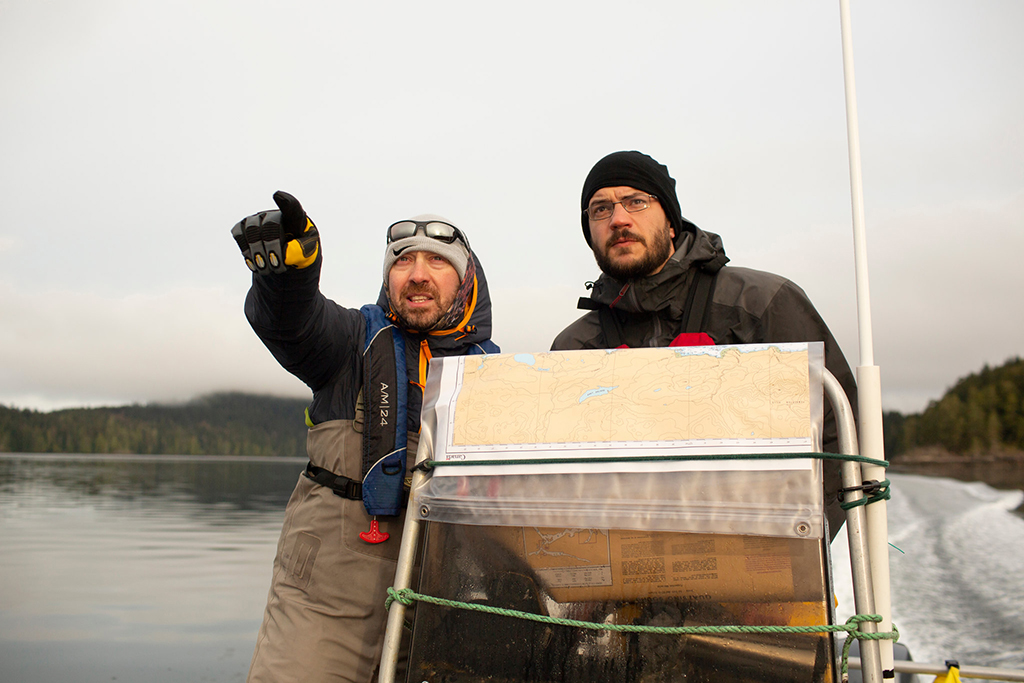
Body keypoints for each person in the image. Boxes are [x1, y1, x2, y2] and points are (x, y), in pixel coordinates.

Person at [231, 191, 499, 682]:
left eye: (437, 261)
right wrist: (286, 278)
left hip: (442, 590)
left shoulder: (496, 376)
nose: (417, 273)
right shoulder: (348, 341)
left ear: (465, 281)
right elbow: (292, 322)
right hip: (325, 594)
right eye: (403, 262)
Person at [552, 150, 858, 538]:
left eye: (636, 201)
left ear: (671, 220)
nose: (619, 219)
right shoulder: (573, 348)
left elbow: (842, 431)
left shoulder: (762, 303)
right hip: (623, 579)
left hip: (759, 562)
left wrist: (798, 553)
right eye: (600, 209)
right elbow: (558, 477)